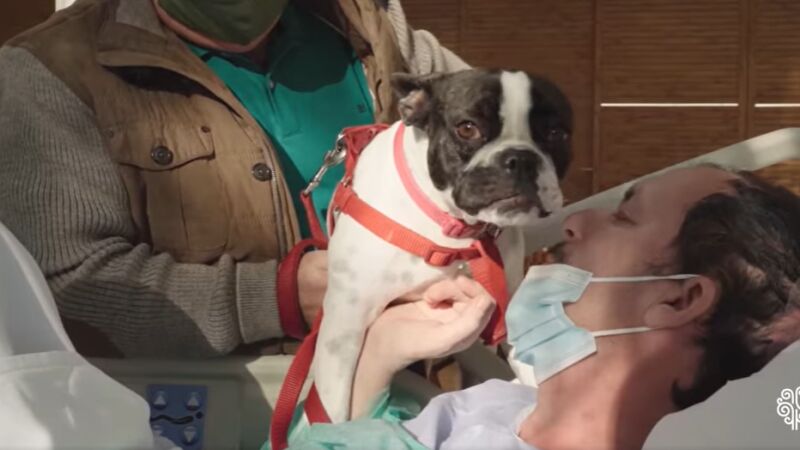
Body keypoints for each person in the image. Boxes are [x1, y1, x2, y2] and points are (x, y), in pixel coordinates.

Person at [0, 0, 468, 357]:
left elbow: (503, 143)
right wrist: (279, 299)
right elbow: (71, 290)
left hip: (406, 397)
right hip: (204, 415)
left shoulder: (370, 30)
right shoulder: (50, 70)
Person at [280, 166, 800, 449]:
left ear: (680, 298)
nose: (574, 222)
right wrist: (379, 352)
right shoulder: (496, 408)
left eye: (624, 218)